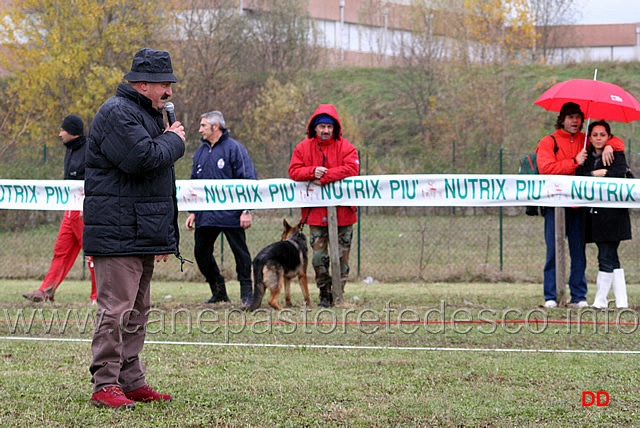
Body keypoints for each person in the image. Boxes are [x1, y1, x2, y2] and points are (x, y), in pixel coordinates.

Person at [83, 48, 186, 409]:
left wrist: (162, 237)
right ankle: (105, 383)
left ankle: (131, 380)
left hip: (139, 231)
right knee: (117, 310)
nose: (169, 92)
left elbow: (152, 182)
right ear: (142, 84)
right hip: (117, 233)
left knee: (137, 311)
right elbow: (141, 160)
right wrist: (174, 139)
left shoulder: (144, 116)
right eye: (164, 85)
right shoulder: (116, 114)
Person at [536, 102, 624, 309]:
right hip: (554, 206)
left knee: (578, 252)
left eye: (578, 117)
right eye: (570, 117)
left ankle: (579, 296)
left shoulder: (586, 140)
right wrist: (574, 161)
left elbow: (609, 139)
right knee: (553, 251)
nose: (575, 121)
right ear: (562, 119)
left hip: (578, 206)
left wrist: (612, 145)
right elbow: (546, 168)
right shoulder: (549, 141)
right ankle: (551, 295)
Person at [288, 104, 360, 307]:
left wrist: (327, 176)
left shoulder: (347, 148)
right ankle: (324, 293)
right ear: (315, 128)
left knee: (342, 259)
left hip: (344, 213)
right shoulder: (303, 148)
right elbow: (294, 171)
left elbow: (352, 169)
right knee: (319, 258)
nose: (326, 131)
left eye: (329, 127)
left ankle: (339, 294)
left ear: (335, 128)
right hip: (316, 214)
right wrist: (312, 172)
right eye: (322, 127)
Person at [185, 110, 257, 308]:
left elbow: (248, 180)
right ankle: (219, 293)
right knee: (201, 253)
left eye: (203, 126)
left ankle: (247, 296)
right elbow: (194, 184)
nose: (200, 130)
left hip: (232, 214)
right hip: (206, 215)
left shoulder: (235, 149)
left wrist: (246, 210)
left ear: (216, 127)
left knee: (241, 255)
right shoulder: (200, 152)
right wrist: (192, 211)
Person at [22, 115, 97, 304]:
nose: (60, 133)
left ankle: (98, 296)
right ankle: (46, 291)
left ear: (72, 131)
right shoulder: (70, 150)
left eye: (63, 130)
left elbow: (94, 178)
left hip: (83, 210)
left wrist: (88, 204)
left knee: (92, 253)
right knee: (61, 251)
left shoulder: (89, 149)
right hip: (69, 210)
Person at [576, 120, 630, 309]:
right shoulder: (586, 158)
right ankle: (622, 301)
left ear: (609, 137)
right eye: (595, 135)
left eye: (602, 135)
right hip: (594, 217)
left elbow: (618, 176)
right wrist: (592, 173)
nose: (598, 138)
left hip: (613, 217)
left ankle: (600, 301)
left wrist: (602, 175)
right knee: (612, 256)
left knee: (605, 256)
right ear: (589, 138)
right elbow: (578, 178)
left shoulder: (617, 156)